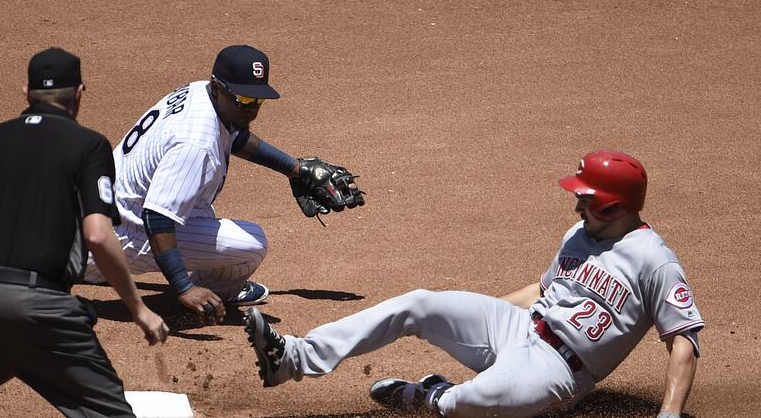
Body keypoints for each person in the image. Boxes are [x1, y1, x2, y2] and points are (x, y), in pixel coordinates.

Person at [245, 150, 703, 418]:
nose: (576, 207)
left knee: (475, 400)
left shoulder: (654, 261)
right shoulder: (579, 236)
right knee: (421, 303)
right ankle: (293, 358)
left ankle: (429, 395)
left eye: (585, 199)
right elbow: (543, 291)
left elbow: (683, 341)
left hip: (562, 372)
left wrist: (669, 416)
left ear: (613, 206)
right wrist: (476, 317)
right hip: (518, 328)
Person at [84, 45, 364, 325]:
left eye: (258, 101)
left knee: (200, 208)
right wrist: (183, 286)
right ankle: (206, 295)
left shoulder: (200, 93)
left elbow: (236, 137)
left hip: (96, 215)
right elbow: (156, 217)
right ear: (218, 87)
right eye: (243, 99)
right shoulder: (196, 142)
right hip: (125, 234)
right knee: (252, 244)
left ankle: (86, 265)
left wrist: (295, 169)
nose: (251, 110)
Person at [0, 47, 170, 417]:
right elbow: (97, 235)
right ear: (79, 93)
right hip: (40, 311)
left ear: (26, 93)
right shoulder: (88, 146)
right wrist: (138, 308)